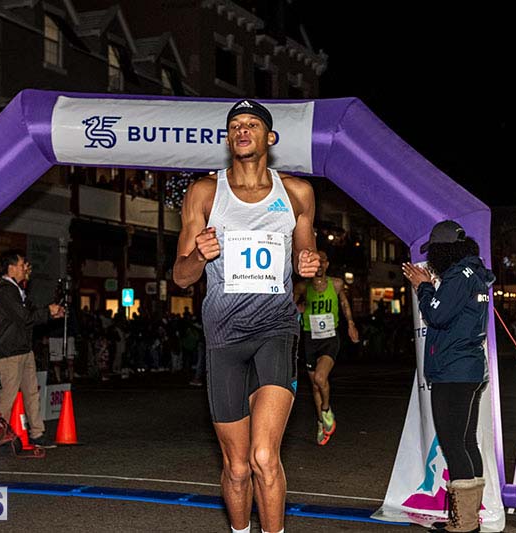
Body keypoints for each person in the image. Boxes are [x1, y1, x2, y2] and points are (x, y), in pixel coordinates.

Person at [173, 99, 320, 533]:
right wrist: (199, 255)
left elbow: (307, 257)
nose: (242, 130)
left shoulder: (296, 193)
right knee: (237, 468)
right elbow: (181, 277)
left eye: (252, 124)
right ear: (228, 137)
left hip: (276, 330)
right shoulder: (204, 193)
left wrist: (311, 264)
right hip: (224, 339)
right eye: (235, 125)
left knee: (263, 457)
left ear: (269, 137)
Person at [402, 220, 494, 533]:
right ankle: (469, 520)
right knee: (466, 442)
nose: (431, 259)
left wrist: (424, 286)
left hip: (454, 371)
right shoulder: (474, 274)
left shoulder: (459, 275)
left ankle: (464, 523)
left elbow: (437, 315)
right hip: (469, 369)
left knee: (454, 444)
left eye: (434, 252)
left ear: (444, 250)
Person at [0, 250, 64, 448]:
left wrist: (49, 313)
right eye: (22, 265)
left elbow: (29, 313)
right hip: (10, 351)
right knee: (9, 395)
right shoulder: (6, 291)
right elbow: (24, 317)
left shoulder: (17, 289)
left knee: (32, 393)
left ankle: (37, 433)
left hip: (23, 348)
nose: (26, 268)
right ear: (11, 268)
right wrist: (48, 312)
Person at [293, 250, 359, 445]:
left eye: (323, 261)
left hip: (330, 338)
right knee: (315, 385)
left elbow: (344, 304)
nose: (320, 265)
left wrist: (351, 324)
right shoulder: (303, 287)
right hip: (310, 339)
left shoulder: (336, 284)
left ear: (327, 264)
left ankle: (326, 409)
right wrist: (297, 309)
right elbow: (290, 306)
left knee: (321, 378)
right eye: (317, 262)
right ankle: (321, 423)